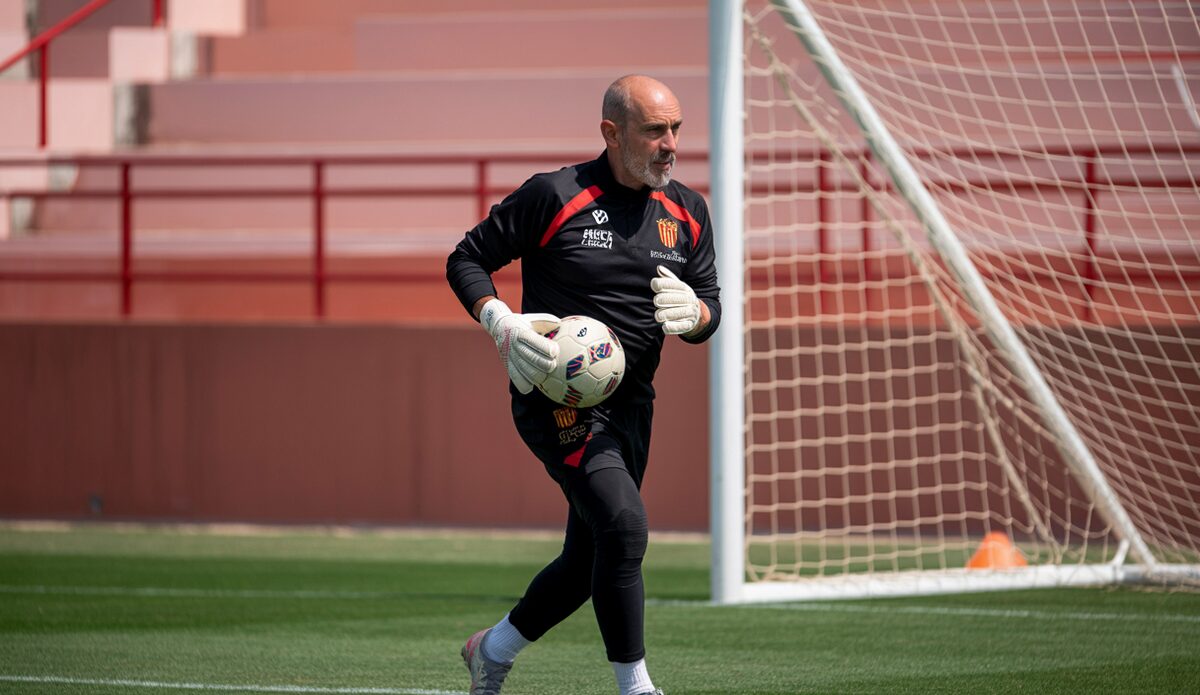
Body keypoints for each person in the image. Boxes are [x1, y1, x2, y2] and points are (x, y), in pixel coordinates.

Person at [445, 74, 721, 695]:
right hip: (556, 400)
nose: (670, 143)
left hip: (632, 406)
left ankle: (491, 650)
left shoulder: (690, 212)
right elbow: (466, 258)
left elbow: (710, 307)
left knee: (589, 558)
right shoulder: (554, 195)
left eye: (676, 127)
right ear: (611, 133)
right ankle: (637, 687)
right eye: (655, 130)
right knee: (624, 527)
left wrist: (698, 316)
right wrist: (499, 320)